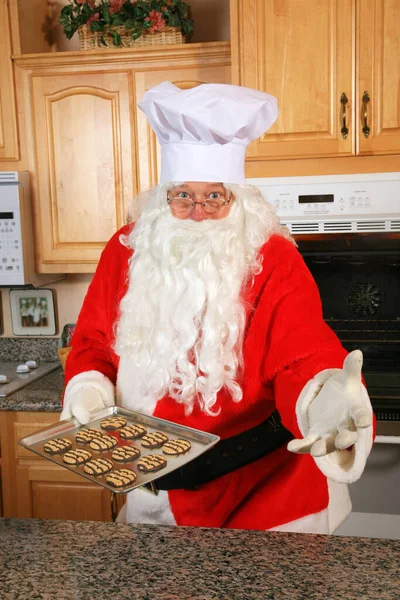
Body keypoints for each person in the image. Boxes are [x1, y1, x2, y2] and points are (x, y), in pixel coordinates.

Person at [61, 82, 374, 533]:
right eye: (183, 196)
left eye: (214, 197)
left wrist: (326, 404)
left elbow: (304, 354)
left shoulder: (272, 258)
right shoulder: (126, 250)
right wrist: (89, 392)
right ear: (163, 198)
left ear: (238, 199)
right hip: (151, 499)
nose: (198, 212)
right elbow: (92, 342)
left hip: (265, 502)